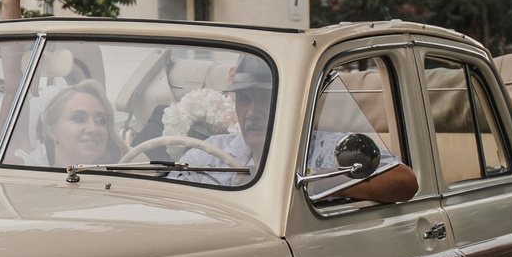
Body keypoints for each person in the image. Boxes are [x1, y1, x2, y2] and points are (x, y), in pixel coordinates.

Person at [172, 63, 417, 202]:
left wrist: (308, 180)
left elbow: (403, 181)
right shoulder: (210, 152)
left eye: (265, 99)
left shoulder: (328, 149)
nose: (252, 112)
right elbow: (167, 197)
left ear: (288, 102)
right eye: (244, 99)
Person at [33, 80, 120, 169]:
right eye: (79, 119)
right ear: (52, 131)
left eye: (101, 121)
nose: (93, 129)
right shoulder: (33, 175)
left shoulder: (120, 174)